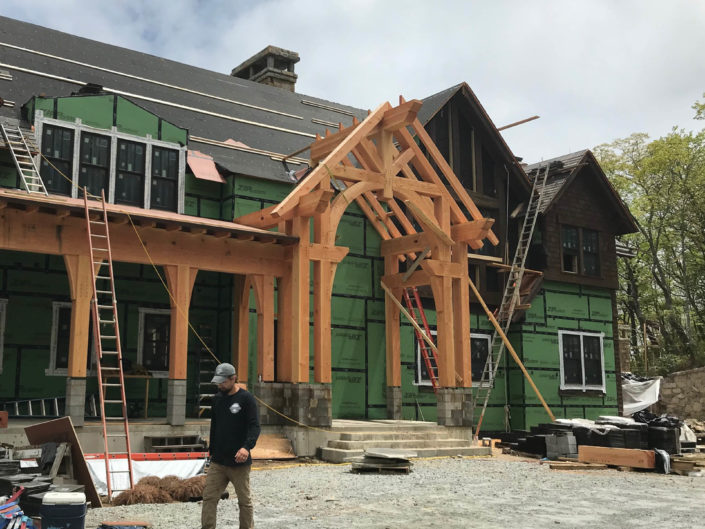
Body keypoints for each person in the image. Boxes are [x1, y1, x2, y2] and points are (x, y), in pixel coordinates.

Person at [202, 362, 260, 529]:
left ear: (233, 378)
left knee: (244, 501)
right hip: (218, 461)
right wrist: (211, 452)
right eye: (218, 381)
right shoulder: (217, 399)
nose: (220, 384)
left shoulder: (246, 399)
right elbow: (215, 427)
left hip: (239, 462)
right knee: (209, 497)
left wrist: (246, 447)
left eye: (223, 381)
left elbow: (254, 426)